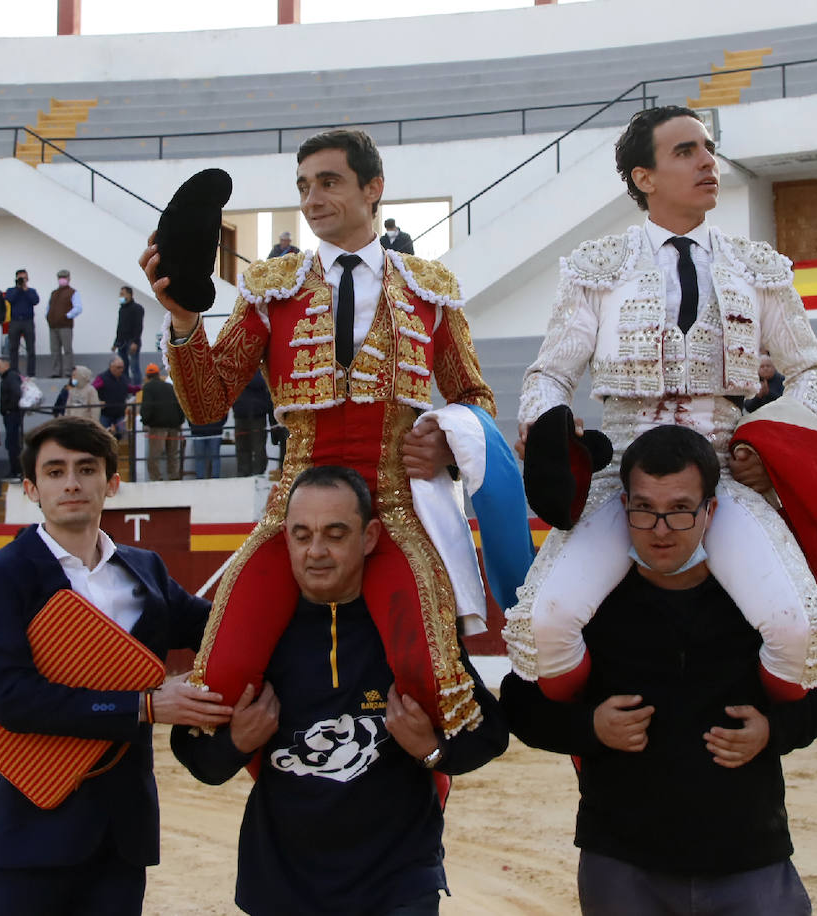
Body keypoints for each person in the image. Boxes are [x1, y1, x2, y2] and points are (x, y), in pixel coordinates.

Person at [142, 127, 528, 741]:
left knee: (435, 678)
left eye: (328, 182)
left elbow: (473, 399)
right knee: (219, 673)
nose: (313, 198)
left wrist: (449, 441)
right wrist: (185, 321)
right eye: (303, 186)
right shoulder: (273, 286)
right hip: (293, 511)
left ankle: (429, 779)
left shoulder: (432, 289)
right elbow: (209, 402)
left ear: (373, 188)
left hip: (394, 509)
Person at [505, 105, 817, 703]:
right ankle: (599, 736)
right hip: (621, 474)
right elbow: (549, 375)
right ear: (645, 178)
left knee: (801, 632)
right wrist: (548, 432)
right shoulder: (598, 267)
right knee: (544, 628)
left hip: (724, 471)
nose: (707, 163)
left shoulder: (760, 267)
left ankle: (751, 738)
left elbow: (813, 373)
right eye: (686, 152)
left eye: (708, 149)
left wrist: (769, 445)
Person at [500, 425, 817, 916]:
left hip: (747, 856)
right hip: (624, 862)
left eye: (680, 510)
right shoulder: (590, 607)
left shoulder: (754, 604)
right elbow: (519, 705)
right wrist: (590, 729)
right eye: (645, 509)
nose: (661, 529)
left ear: (710, 511)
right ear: (623, 507)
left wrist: (773, 731)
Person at [171, 465, 508, 916]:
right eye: (302, 534)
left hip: (398, 881)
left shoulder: (410, 628)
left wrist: (430, 750)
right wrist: (236, 743)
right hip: (282, 884)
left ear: (369, 537)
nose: (316, 551)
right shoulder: (255, 637)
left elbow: (489, 736)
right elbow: (200, 762)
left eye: (335, 534)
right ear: (284, 538)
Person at [0, 416, 233, 916]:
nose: (71, 482)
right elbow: (6, 697)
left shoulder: (145, 568)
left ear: (112, 483)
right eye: (55, 471)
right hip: (35, 826)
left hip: (121, 828)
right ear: (31, 488)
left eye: (86, 469)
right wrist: (146, 706)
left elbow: (217, 630)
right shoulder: (1, 576)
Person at [137, 363, 185, 482]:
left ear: (147, 376)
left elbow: (147, 407)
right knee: (173, 455)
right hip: (174, 426)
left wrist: (145, 421)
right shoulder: (169, 387)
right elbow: (179, 404)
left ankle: (156, 478)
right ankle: (173, 476)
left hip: (157, 427)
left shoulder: (148, 387)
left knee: (154, 455)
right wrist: (180, 421)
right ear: (158, 374)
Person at [232, 370, 273, 478]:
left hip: (257, 414)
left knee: (258, 446)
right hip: (240, 413)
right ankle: (243, 472)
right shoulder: (238, 369)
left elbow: (260, 382)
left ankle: (258, 473)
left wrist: (244, 376)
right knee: (241, 446)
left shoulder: (258, 369)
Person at [4, 269, 39, 378]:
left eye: (24, 278)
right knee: (13, 347)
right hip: (15, 322)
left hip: (28, 321)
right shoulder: (11, 290)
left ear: (27, 279)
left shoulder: (31, 291)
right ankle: (14, 371)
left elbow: (35, 301)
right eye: (20, 278)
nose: (22, 280)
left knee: (31, 348)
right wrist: (18, 289)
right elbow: (10, 299)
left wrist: (25, 289)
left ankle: (31, 373)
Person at [47, 269, 82, 379]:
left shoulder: (73, 292)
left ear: (68, 278)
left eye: (64, 277)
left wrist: (66, 316)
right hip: (53, 326)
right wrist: (48, 316)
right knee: (54, 350)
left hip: (65, 325)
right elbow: (49, 307)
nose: (62, 279)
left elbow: (78, 308)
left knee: (67, 349)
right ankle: (56, 372)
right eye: (60, 277)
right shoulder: (54, 293)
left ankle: (68, 372)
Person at [0, 355, 24, 479]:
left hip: (12, 414)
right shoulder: (8, 377)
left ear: (6, 365)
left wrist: (8, 409)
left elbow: (17, 393)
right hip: (10, 414)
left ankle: (16, 470)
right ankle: (15, 469)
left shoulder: (11, 377)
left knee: (13, 443)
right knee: (11, 443)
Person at [114, 286, 145, 387]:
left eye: (122, 294)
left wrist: (135, 342)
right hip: (121, 342)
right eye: (120, 294)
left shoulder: (137, 308)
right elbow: (120, 327)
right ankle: (126, 389)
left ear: (129, 295)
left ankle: (137, 389)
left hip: (132, 342)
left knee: (134, 367)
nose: (120, 296)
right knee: (123, 367)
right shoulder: (122, 309)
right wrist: (116, 342)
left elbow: (138, 326)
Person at [92, 356, 131, 438]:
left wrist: (141, 387)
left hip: (120, 413)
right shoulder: (102, 378)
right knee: (103, 435)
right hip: (106, 414)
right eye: (118, 367)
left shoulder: (124, 378)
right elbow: (92, 389)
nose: (121, 370)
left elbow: (129, 388)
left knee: (121, 434)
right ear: (111, 367)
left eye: (122, 367)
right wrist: (97, 401)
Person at [189, 415, 226, 480]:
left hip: (212, 431)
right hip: (202, 431)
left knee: (213, 457)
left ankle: (214, 479)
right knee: (202, 457)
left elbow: (224, 410)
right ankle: (201, 479)